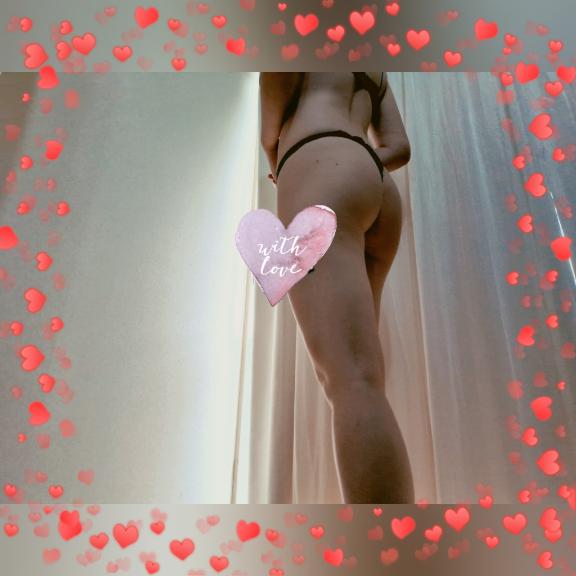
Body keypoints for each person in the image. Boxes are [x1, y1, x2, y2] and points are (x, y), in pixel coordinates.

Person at [259, 72, 414, 503]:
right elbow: (399, 147)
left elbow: (270, 122)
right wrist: (355, 159)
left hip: (317, 166)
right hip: (375, 182)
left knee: (349, 380)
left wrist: (278, 163)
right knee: (364, 378)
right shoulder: (376, 70)